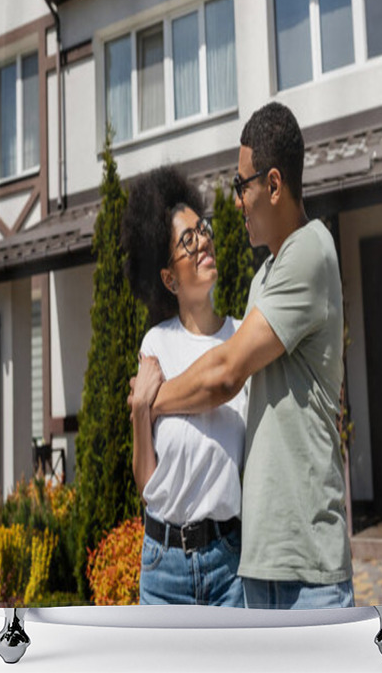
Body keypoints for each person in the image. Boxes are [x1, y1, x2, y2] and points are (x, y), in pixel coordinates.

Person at [140, 102, 354, 609]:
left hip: (307, 567)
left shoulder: (311, 249)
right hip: (257, 562)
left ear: (273, 185)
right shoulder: (263, 278)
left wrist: (152, 401)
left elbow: (226, 373)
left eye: (242, 186)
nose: (236, 202)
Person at [122, 165, 246, 608]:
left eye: (203, 230)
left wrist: (156, 400)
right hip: (163, 566)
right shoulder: (156, 345)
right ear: (169, 279)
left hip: (229, 561)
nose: (203, 242)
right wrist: (141, 410)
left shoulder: (240, 338)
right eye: (186, 241)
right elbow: (145, 482)